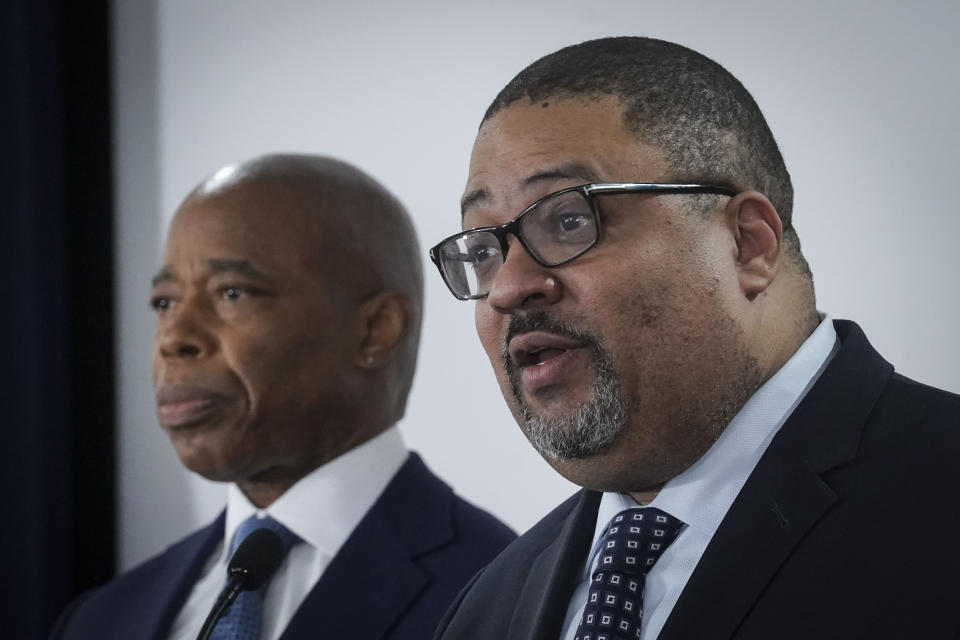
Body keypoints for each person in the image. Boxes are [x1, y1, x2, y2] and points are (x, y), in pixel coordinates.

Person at [429, 37, 960, 640]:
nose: (508, 287)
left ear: (748, 244)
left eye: (570, 220)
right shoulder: (486, 610)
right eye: (482, 248)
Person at [51, 154, 515, 639]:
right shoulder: (99, 620)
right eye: (164, 302)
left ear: (375, 330)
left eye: (232, 293)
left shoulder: (508, 598)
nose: (173, 337)